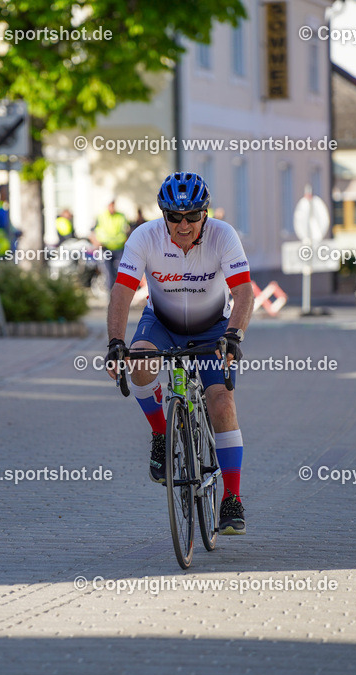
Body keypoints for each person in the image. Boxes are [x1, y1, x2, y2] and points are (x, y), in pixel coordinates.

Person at [105, 172, 253, 535]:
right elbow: (122, 293)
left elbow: (244, 293)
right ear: (163, 215)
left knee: (222, 404)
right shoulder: (145, 237)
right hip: (163, 323)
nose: (183, 225)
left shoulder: (223, 235)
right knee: (139, 362)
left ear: (205, 213)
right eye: (174, 216)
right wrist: (114, 343)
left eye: (192, 216)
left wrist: (235, 335)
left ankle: (230, 499)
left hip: (212, 328)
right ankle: (160, 433)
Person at [92, 200, 129, 286]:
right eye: (110, 205)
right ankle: (110, 296)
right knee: (108, 274)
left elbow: (127, 230)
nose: (112, 207)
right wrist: (96, 242)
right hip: (106, 248)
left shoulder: (121, 216)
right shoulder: (101, 216)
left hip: (119, 248)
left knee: (121, 273)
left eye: (113, 205)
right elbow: (93, 231)